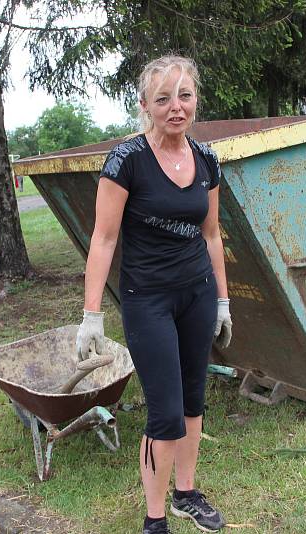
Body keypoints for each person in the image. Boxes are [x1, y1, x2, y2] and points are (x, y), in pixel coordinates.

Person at [76, 56, 233, 534]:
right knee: (164, 411)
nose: (175, 107)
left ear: (195, 100)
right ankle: (155, 519)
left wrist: (223, 300)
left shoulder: (206, 160)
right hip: (148, 301)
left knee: (193, 400)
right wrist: (92, 315)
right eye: (163, 99)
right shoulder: (127, 161)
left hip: (197, 295)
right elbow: (103, 240)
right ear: (145, 105)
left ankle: (186, 493)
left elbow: (211, 235)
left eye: (184, 96)